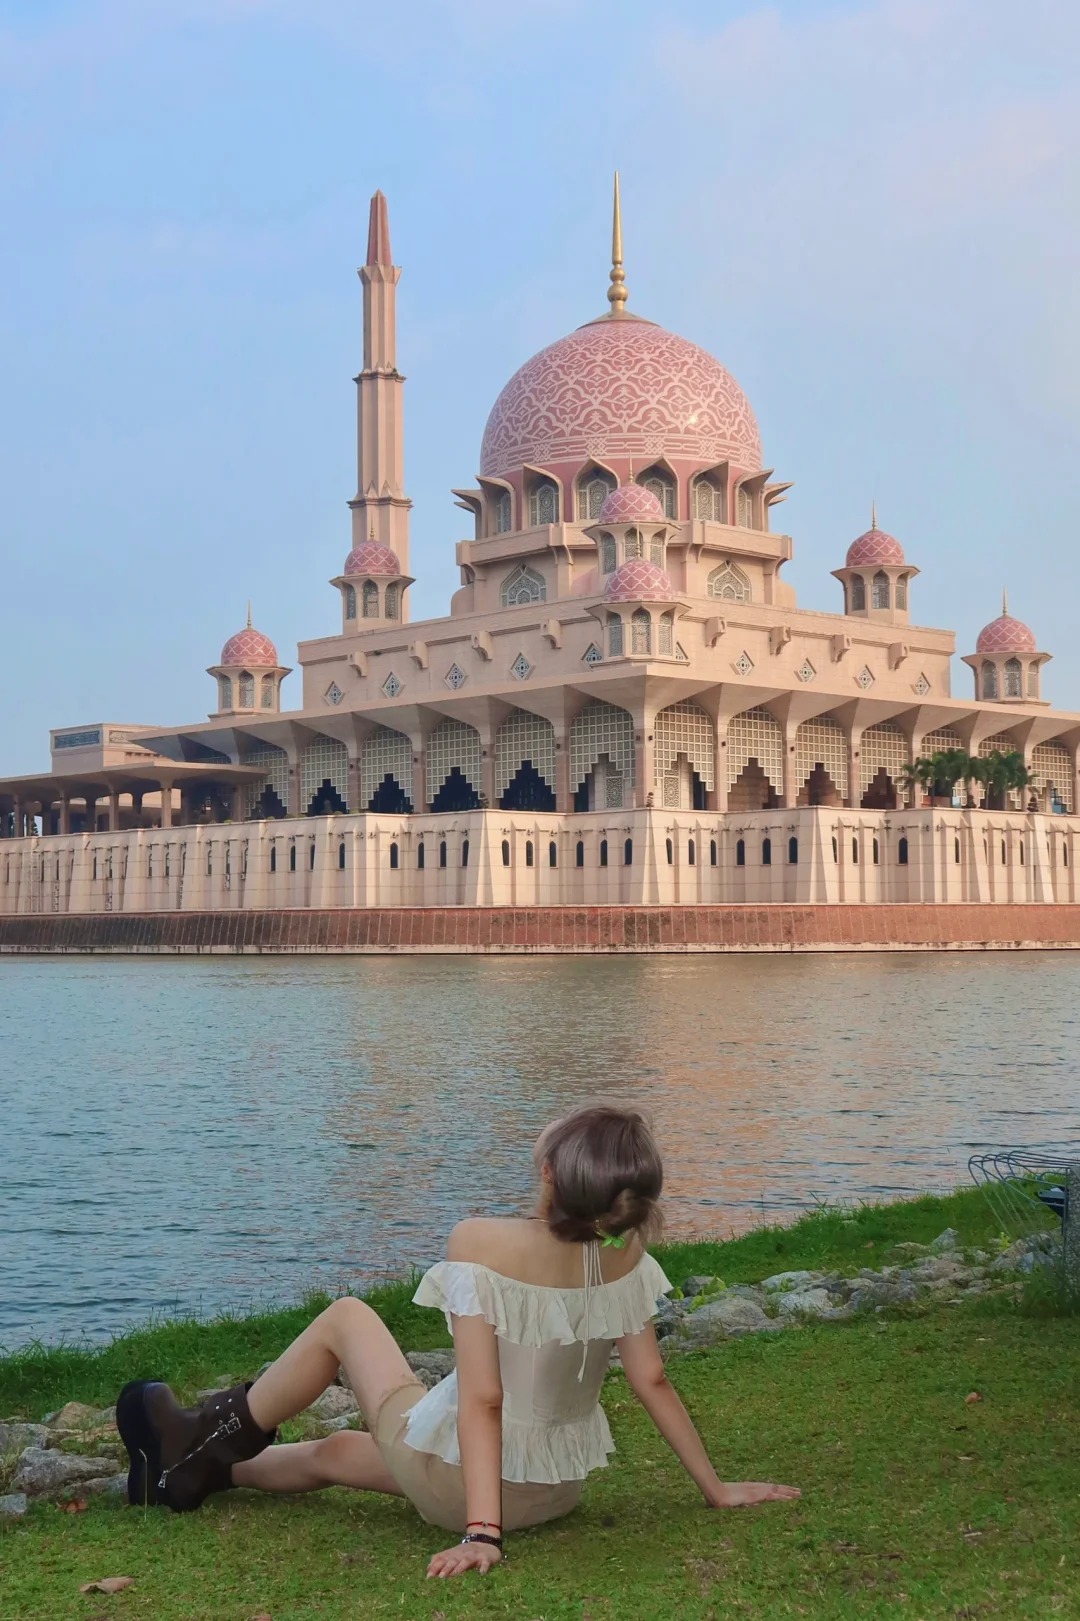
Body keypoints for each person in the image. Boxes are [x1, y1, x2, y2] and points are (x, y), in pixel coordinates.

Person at [116, 1106, 799, 1580]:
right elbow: (651, 1379)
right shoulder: (627, 1249)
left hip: (474, 1494)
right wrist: (714, 1487)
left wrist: (481, 1534)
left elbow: (484, 1396)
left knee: (347, 1317)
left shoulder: (482, 1242)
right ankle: (194, 1475)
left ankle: (192, 1437)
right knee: (336, 1452)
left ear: (552, 1179)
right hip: (554, 1491)